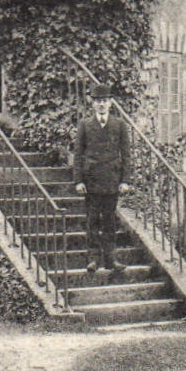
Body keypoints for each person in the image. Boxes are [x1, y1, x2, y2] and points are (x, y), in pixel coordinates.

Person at [72, 84, 132, 280]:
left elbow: (126, 154)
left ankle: (111, 258)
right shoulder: (85, 124)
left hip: (111, 180)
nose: (101, 105)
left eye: (105, 101)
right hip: (91, 181)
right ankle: (92, 258)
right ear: (92, 103)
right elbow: (78, 154)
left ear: (111, 103)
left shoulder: (119, 125)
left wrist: (124, 180)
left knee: (109, 221)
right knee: (92, 220)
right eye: (98, 101)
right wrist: (79, 180)